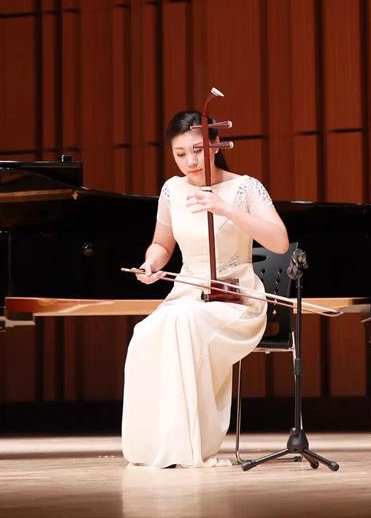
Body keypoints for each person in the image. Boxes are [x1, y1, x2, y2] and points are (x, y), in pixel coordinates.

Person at [121, 110, 289, 468]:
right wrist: (151, 264)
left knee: (183, 325)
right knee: (145, 333)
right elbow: (162, 244)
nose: (190, 162)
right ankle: (155, 448)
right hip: (186, 293)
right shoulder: (172, 190)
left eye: (197, 150)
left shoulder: (245, 187)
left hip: (236, 298)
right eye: (180, 154)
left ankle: (191, 447)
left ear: (215, 144)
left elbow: (279, 241)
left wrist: (226, 208)